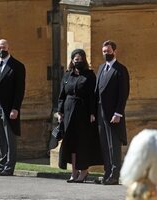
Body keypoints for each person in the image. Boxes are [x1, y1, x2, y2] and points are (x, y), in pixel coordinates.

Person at [57, 49, 102, 183]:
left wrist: (93, 113)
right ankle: (74, 172)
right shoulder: (66, 76)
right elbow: (61, 96)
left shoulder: (89, 76)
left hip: (83, 113)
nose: (77, 61)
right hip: (68, 112)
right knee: (70, 143)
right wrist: (60, 112)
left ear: (84, 60)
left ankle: (83, 172)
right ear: (72, 60)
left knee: (82, 143)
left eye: (80, 59)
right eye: (75, 59)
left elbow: (93, 96)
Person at [0, 39, 26, 176]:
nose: (1, 50)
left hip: (9, 108)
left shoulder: (17, 66)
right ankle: (2, 165)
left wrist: (16, 108)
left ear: (8, 48)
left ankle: (9, 167)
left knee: (10, 137)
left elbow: (19, 90)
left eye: (3, 47)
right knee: (0, 138)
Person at [95, 40, 130, 185]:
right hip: (100, 113)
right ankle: (107, 173)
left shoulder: (121, 69)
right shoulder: (101, 67)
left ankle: (115, 175)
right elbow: (97, 91)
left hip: (113, 115)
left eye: (108, 51)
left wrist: (118, 113)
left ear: (114, 51)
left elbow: (123, 93)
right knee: (104, 144)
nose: (106, 54)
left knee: (114, 146)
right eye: (104, 52)